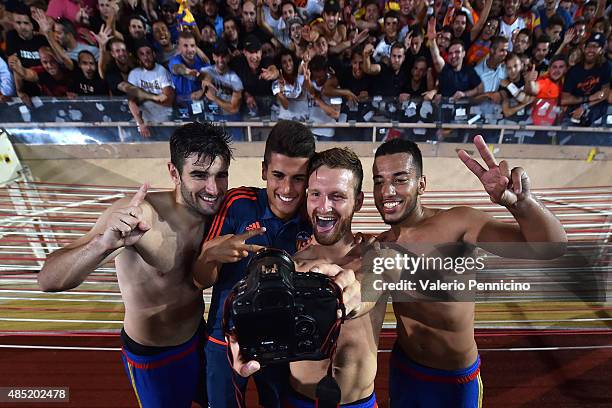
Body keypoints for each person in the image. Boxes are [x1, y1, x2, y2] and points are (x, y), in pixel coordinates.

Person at [38, 121, 234, 408]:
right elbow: (47, 280)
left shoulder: (216, 214)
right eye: (199, 175)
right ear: (173, 173)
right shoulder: (139, 215)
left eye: (221, 175)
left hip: (198, 339)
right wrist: (101, 244)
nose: (213, 188)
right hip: (154, 357)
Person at [371, 137, 567, 407]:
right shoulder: (379, 245)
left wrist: (521, 203)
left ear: (422, 185)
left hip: (454, 381)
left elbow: (549, 248)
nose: (386, 191)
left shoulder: (457, 223)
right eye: (378, 180)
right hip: (405, 371)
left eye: (400, 179)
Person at [224, 148, 377, 407]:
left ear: (358, 201)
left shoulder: (377, 256)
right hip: (297, 400)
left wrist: (346, 293)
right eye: (315, 194)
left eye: (337, 196)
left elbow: (368, 287)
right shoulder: (291, 267)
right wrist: (246, 345)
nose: (324, 206)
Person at [193, 120, 315, 408]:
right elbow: (200, 280)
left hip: (284, 341)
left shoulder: (315, 217)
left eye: (299, 178)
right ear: (263, 171)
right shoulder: (238, 202)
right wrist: (210, 255)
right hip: (226, 336)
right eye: (278, 175)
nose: (288, 188)